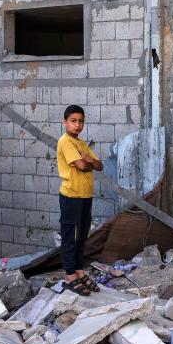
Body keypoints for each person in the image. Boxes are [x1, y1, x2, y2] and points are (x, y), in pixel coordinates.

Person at [56, 105, 102, 295]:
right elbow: (83, 166)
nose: (77, 125)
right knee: (69, 237)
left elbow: (99, 165)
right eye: (73, 121)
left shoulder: (82, 144)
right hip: (71, 196)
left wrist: (89, 161)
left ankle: (79, 271)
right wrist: (88, 161)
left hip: (85, 195)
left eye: (80, 121)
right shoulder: (65, 141)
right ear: (65, 122)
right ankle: (69, 276)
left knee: (82, 235)